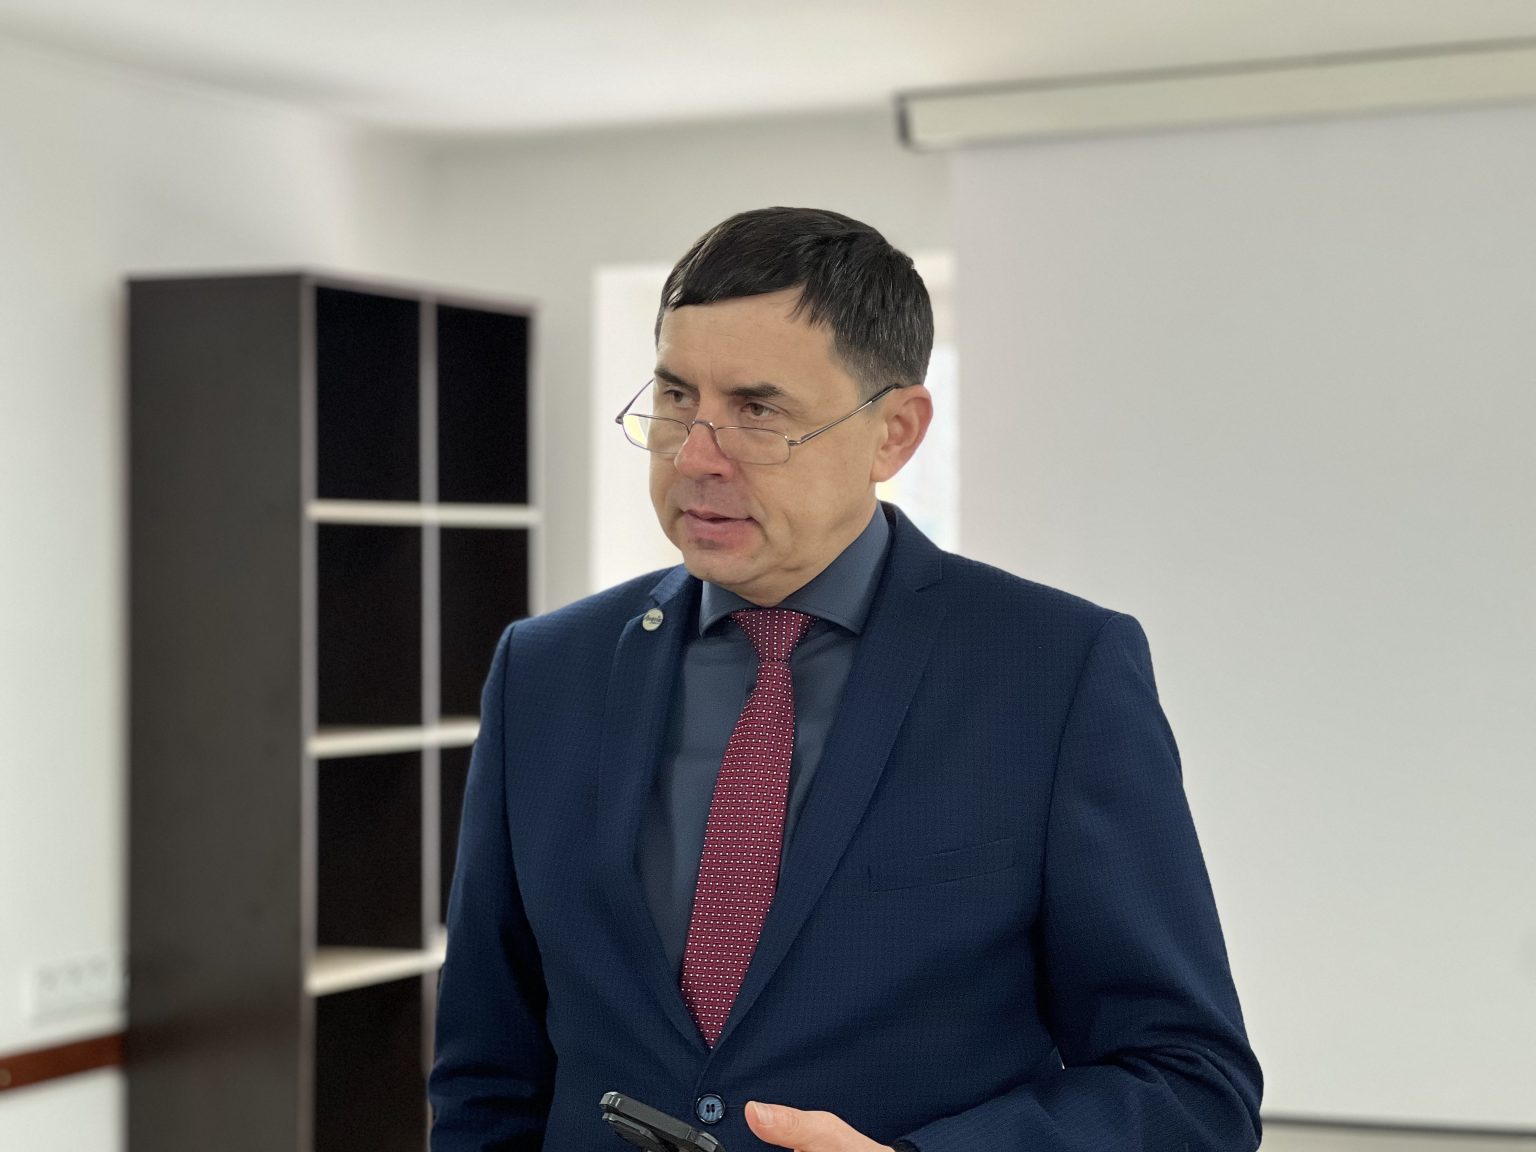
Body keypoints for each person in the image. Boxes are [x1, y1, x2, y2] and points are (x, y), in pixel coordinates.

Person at [429, 207, 1262, 1152]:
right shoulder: (544, 672)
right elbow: (486, 1077)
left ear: (895, 433)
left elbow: (1190, 1087)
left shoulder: (1056, 671)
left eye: (758, 410)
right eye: (675, 396)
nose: (695, 456)